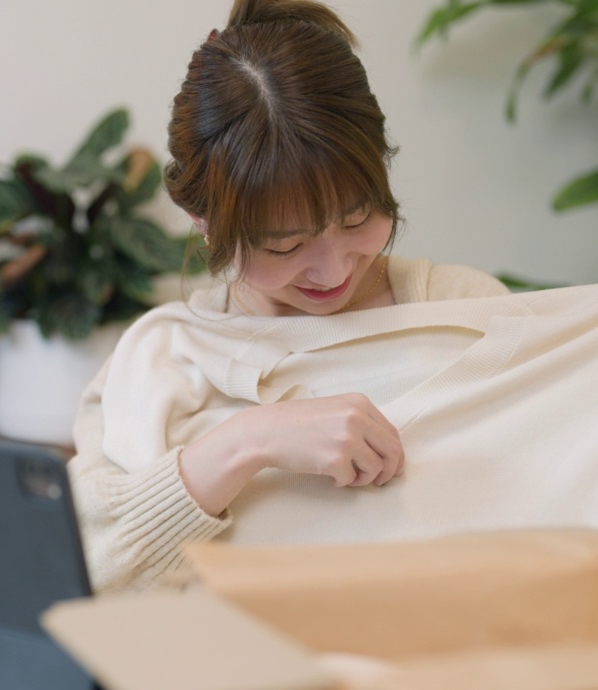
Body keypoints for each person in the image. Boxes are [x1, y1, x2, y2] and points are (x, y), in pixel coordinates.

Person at [68, 0, 511, 593]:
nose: (332, 268)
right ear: (203, 221)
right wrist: (250, 441)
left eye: (358, 219)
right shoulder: (155, 362)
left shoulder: (471, 314)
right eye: (286, 245)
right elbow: (83, 577)